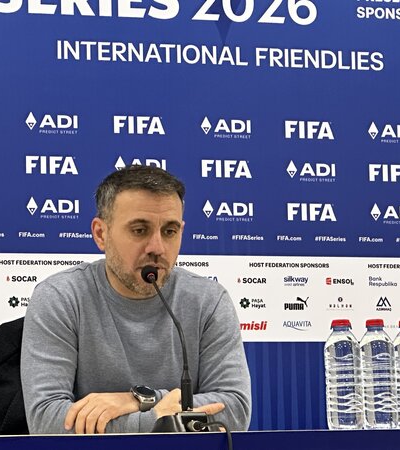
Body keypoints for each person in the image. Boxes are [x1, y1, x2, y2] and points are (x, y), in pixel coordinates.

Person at [21, 165, 251, 434]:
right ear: (101, 234)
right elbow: (47, 421)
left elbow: (234, 410)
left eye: (169, 231)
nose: (157, 248)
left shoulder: (208, 301)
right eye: (140, 230)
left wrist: (139, 400)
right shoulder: (60, 297)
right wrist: (158, 418)